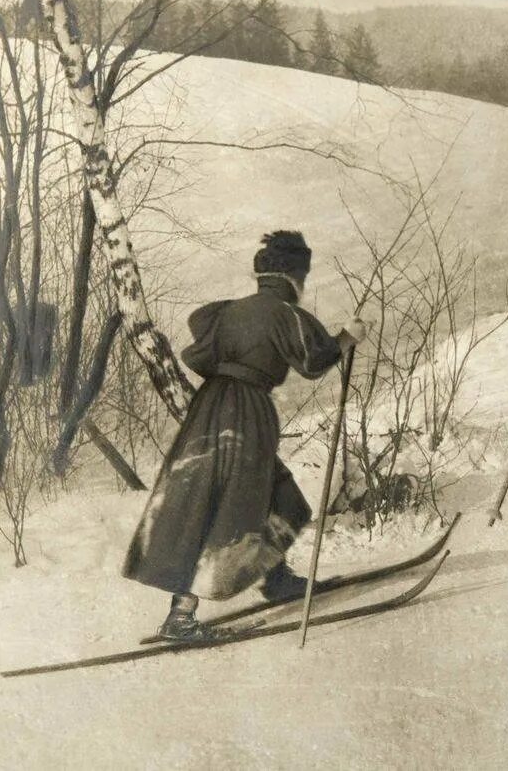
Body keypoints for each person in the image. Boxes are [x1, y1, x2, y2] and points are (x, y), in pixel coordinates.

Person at [122, 231, 370, 641]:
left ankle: (276, 579)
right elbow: (314, 362)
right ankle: (180, 616)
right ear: (293, 275)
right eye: (303, 277)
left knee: (269, 495)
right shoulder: (283, 312)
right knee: (225, 505)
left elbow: (201, 358)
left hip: (211, 408)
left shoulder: (230, 311)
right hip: (247, 412)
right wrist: (347, 338)